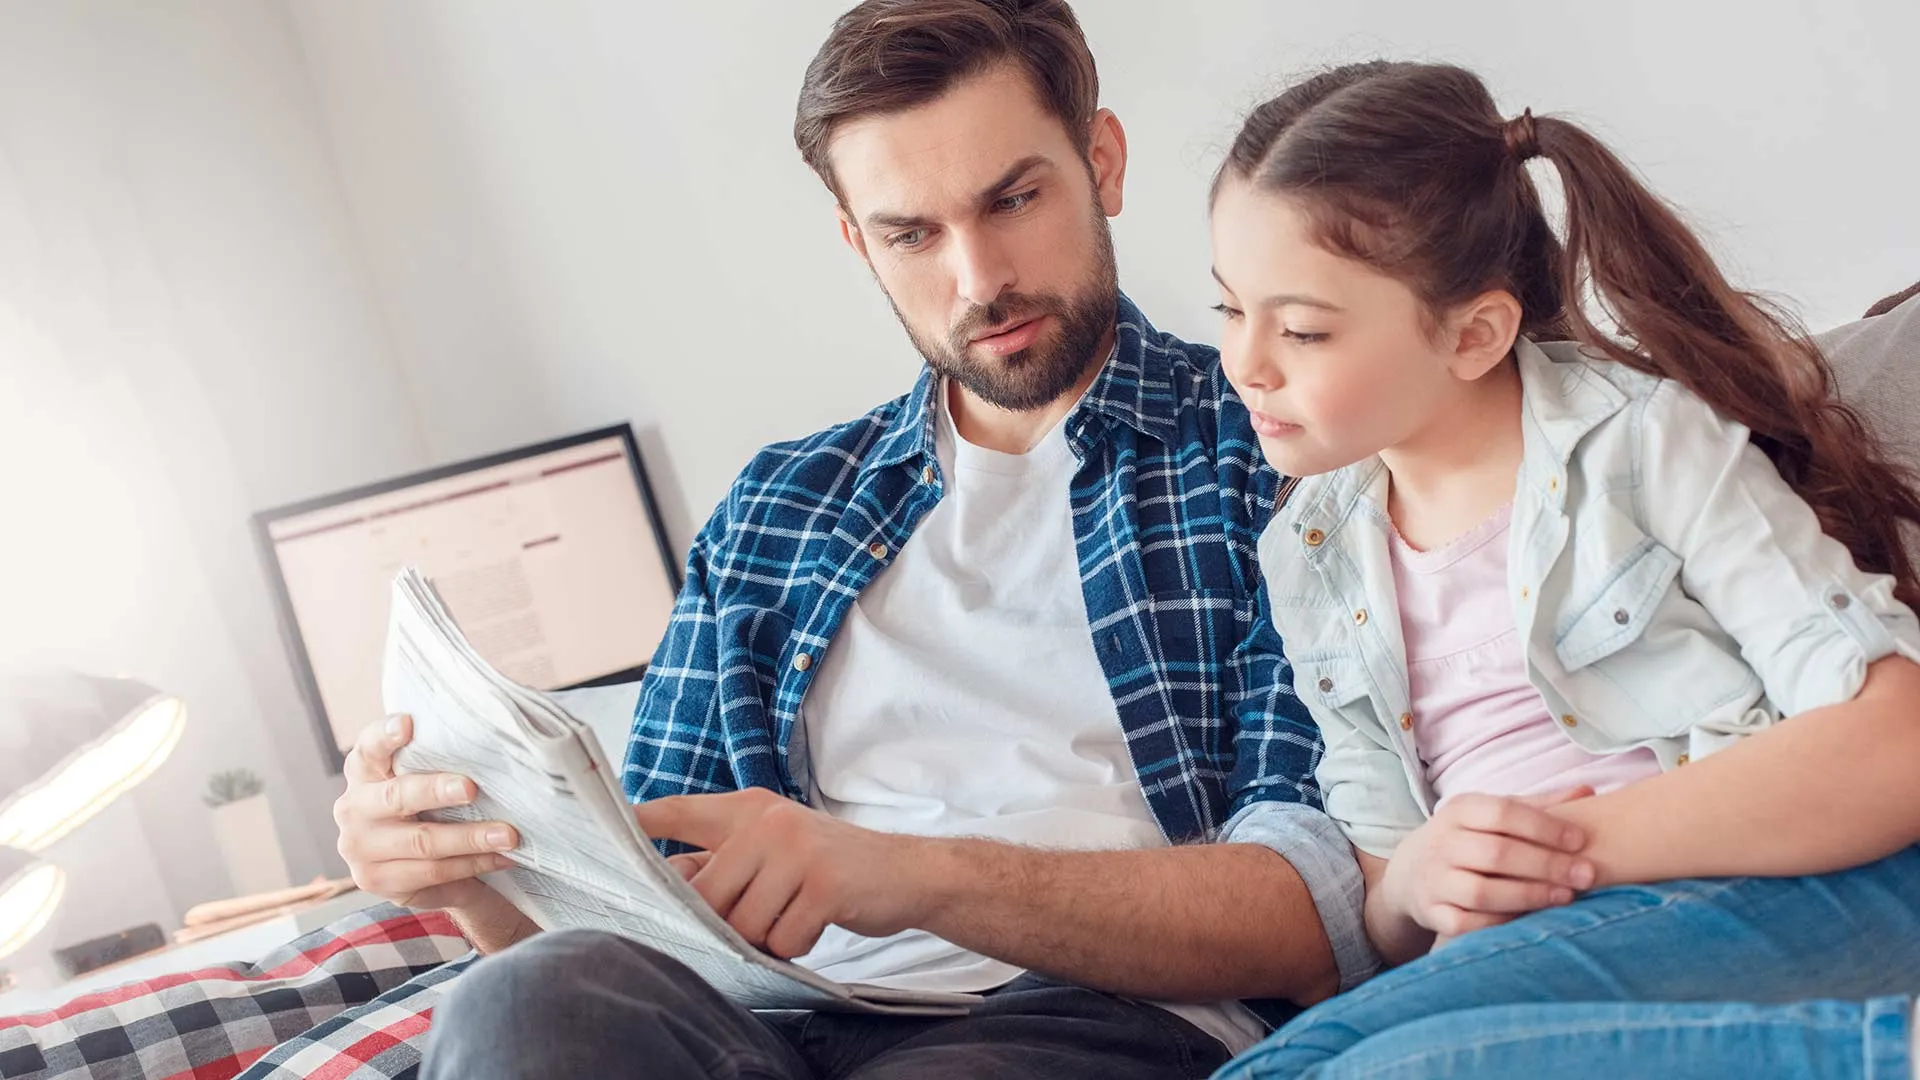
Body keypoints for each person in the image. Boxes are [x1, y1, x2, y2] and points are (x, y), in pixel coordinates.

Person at [333, 4, 1383, 1078]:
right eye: (912, 234)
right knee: (521, 999)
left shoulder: (1270, 452)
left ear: (1101, 163)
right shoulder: (780, 507)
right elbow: (641, 919)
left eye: (1013, 199)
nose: (978, 280)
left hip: (1090, 1022)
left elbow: (1314, 910)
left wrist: (905, 874)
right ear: (857, 241)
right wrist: (476, 883)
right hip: (775, 1022)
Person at [1205, 60, 1920, 1078]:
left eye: (1304, 328)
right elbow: (1386, 896)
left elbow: (1895, 741)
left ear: (1474, 333)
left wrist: (1563, 848)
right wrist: (1418, 880)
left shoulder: (1643, 442)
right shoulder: (1308, 552)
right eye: (1230, 308)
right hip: (1543, 939)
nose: (1246, 362)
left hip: (1756, 885)